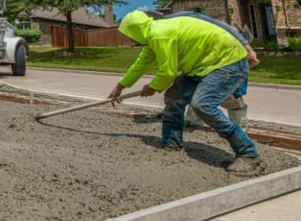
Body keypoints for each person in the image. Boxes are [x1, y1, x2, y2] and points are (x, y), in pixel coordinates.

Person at [109, 11, 262, 173]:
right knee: (174, 97)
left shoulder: (159, 34)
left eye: (130, 35)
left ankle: (248, 154)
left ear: (135, 30)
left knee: (203, 105)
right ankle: (172, 143)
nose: (131, 39)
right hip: (201, 66)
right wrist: (120, 86)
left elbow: (168, 72)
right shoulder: (154, 36)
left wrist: (152, 87)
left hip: (227, 63)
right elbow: (140, 65)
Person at [147, 11, 258, 129]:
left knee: (231, 94)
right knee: (196, 87)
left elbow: (224, 27)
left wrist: (248, 48)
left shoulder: (187, 17)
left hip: (229, 51)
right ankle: (192, 123)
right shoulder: (167, 34)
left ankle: (240, 128)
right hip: (204, 57)